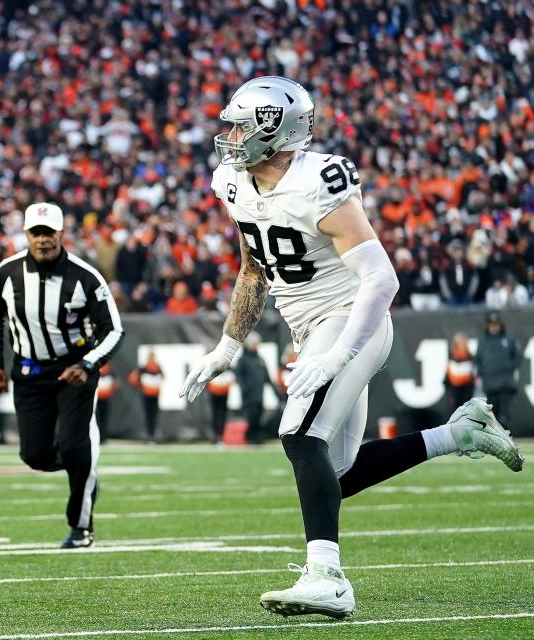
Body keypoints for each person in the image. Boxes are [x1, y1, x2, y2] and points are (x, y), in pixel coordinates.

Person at [179, 76, 523, 619]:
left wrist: (339, 353)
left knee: (297, 433)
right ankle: (458, 433)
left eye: (240, 124)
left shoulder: (319, 181)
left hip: (349, 320)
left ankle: (328, 578)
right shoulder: (232, 181)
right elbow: (253, 269)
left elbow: (382, 281)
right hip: (310, 328)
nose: (230, 134)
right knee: (333, 474)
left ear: (274, 128)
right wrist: (226, 347)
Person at [0, 202, 124, 548]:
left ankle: (81, 527)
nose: (43, 240)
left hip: (73, 372)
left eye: (49, 233)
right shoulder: (8, 272)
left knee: (77, 445)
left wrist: (87, 364)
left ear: (61, 234)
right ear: (27, 235)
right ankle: (82, 470)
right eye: (36, 233)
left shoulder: (85, 276)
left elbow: (114, 330)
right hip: (29, 372)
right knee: (35, 455)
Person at [475, 312, 522, 428]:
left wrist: (509, 367)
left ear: (500, 325)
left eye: (496, 324)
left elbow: (517, 356)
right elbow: (478, 360)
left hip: (505, 383)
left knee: (504, 415)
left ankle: (508, 440)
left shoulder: (508, 340)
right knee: (492, 415)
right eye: (491, 324)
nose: (494, 327)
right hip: (490, 384)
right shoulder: (483, 341)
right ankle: (495, 441)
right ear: (488, 325)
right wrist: (483, 371)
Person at [234, 332, 271, 445]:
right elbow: (239, 376)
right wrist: (244, 389)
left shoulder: (260, 359)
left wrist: (276, 392)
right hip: (248, 396)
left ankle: (257, 438)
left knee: (259, 416)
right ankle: (250, 438)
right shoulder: (243, 360)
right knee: (251, 417)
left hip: (259, 395)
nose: (256, 346)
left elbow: (267, 377)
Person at [128, 352, 164, 443]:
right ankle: (149, 436)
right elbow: (133, 378)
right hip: (146, 395)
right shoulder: (143, 368)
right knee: (148, 416)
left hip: (155, 395)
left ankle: (152, 436)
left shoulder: (157, 367)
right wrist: (141, 385)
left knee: (153, 416)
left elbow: (163, 377)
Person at [445, 332, 475, 411]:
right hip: (455, 388)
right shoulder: (452, 356)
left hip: (467, 387)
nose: (461, 344)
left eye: (463, 341)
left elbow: (473, 373)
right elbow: (448, 374)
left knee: (466, 409)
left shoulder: (470, 356)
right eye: (459, 342)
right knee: (456, 410)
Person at [205, 369, 233, 443]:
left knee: (221, 413)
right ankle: (215, 435)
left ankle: (220, 435)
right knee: (215, 413)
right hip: (214, 388)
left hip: (223, 388)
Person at [95, 363, 120, 444]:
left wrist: (110, 391)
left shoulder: (109, 370)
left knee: (103, 418)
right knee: (98, 419)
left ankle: (102, 437)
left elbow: (116, 383)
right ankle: (99, 437)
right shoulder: (96, 368)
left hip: (105, 398)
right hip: (97, 398)